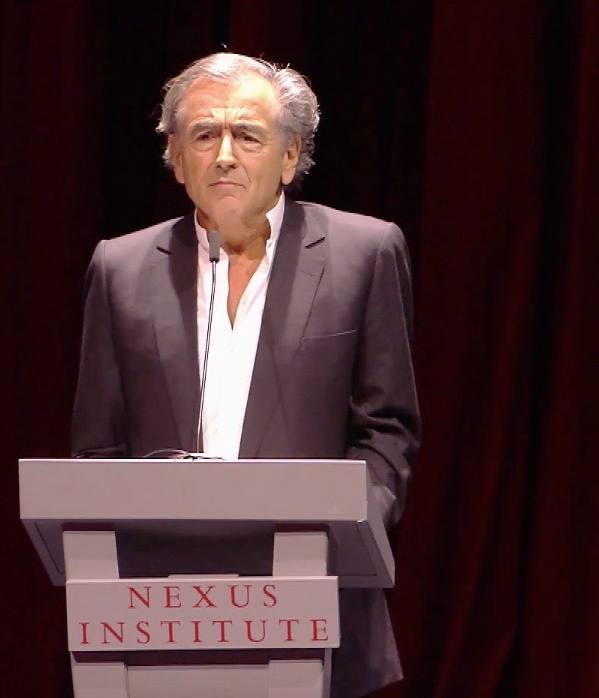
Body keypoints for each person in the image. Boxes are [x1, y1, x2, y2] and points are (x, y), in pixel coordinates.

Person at [71, 52, 420, 697]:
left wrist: (343, 533)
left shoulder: (364, 253)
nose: (225, 155)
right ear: (178, 159)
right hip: (159, 611)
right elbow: (98, 448)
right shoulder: (120, 268)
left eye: (248, 136)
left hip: (316, 601)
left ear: (290, 157)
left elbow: (387, 428)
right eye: (205, 134)